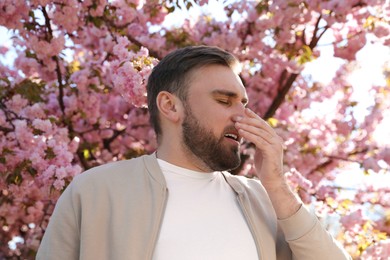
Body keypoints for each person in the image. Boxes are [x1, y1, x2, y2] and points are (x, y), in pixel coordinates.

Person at [36, 45, 351, 260]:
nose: (241, 118)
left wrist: (278, 186)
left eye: (244, 105)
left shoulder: (263, 202)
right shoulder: (95, 192)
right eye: (224, 101)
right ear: (170, 106)